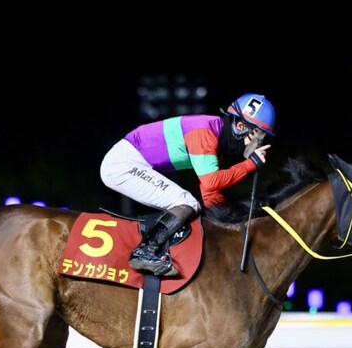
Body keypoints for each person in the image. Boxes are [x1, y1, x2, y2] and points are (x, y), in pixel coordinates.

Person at [100, 93, 275, 277]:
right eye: (257, 136)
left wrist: (230, 228)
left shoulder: (217, 140)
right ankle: (144, 251)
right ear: (240, 127)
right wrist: (250, 164)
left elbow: (210, 194)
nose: (257, 144)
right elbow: (211, 180)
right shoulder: (205, 132)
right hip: (122, 164)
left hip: (132, 162)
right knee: (187, 202)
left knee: (192, 205)